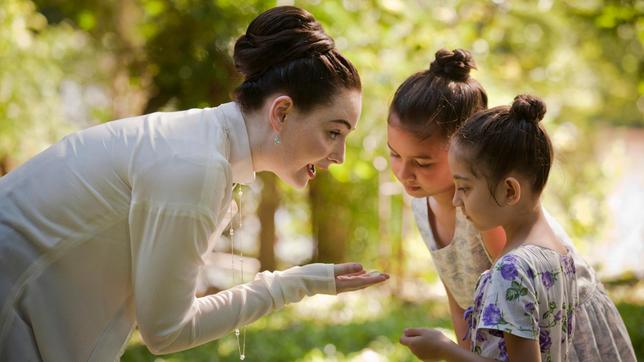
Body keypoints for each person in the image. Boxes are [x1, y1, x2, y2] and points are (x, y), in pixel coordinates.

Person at [0, 6, 388, 361]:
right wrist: (296, 284)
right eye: (334, 132)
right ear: (281, 112)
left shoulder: (200, 144)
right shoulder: (195, 165)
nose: (339, 156)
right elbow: (166, 332)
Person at [388, 49, 635, 361]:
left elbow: (520, 300)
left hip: (555, 335)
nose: (404, 173)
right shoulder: (424, 204)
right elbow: (459, 294)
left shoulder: (488, 217)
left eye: (422, 162)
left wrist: (447, 352)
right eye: (394, 154)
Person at [403, 94, 578, 361]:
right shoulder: (560, 253)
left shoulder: (511, 271)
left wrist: (443, 349)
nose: (455, 199)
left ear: (509, 190)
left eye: (464, 188)